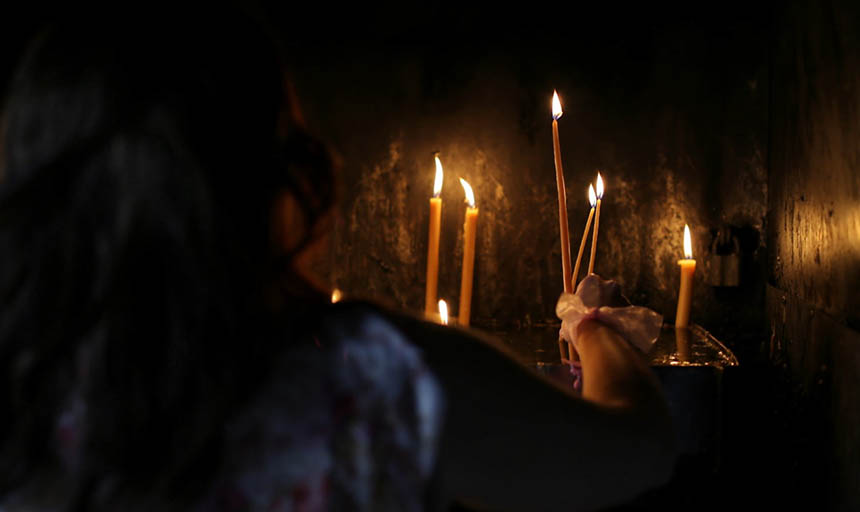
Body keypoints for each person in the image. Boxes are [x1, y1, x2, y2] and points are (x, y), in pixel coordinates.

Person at [0, 7, 674, 511]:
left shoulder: (26, 394)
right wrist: (594, 329)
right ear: (268, 172)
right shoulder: (370, 377)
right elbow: (634, 447)